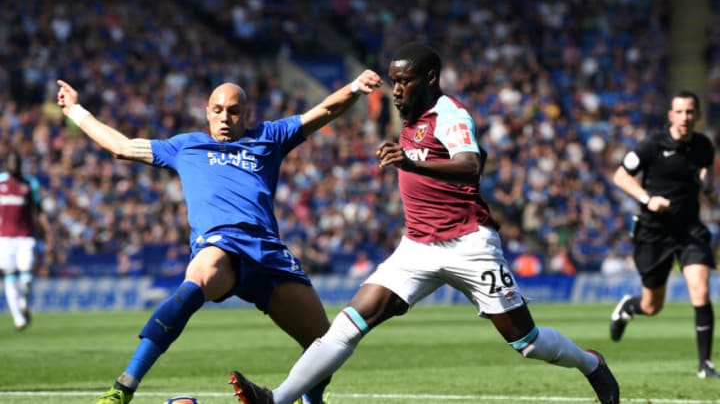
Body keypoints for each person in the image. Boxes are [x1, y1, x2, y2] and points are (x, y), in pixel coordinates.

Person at [227, 42, 620, 404]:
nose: (396, 89)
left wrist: (411, 161)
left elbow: (471, 165)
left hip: (469, 243)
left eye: (403, 81)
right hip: (416, 247)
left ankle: (591, 364)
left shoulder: (450, 114)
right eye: (393, 81)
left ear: (429, 79)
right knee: (347, 326)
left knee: (527, 343)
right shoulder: (410, 115)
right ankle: (276, 400)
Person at [55, 68, 383, 404]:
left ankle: (311, 402)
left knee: (325, 345)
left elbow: (325, 110)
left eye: (234, 111)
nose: (225, 118)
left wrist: (356, 87)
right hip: (221, 243)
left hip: (268, 251)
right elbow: (121, 147)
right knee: (199, 278)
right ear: (207, 113)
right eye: (218, 110)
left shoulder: (270, 136)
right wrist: (76, 111)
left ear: (247, 115)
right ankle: (123, 388)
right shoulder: (185, 146)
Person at [609, 90, 719, 379]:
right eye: (680, 112)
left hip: (689, 229)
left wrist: (707, 184)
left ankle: (705, 365)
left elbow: (706, 172)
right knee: (652, 305)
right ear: (671, 115)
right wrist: (648, 200)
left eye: (690, 112)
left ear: (697, 115)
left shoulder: (704, 146)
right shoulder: (651, 145)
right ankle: (628, 307)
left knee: (701, 290)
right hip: (654, 232)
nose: (685, 117)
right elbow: (620, 176)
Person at [0, 147, 50, 331]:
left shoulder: (30, 184)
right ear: (7, 165)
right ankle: (18, 318)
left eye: (17, 163)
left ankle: (23, 302)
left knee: (27, 277)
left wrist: (47, 230)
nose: (14, 166)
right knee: (10, 276)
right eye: (11, 163)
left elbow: (39, 209)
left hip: (25, 237)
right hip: (4, 239)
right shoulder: (0, 183)